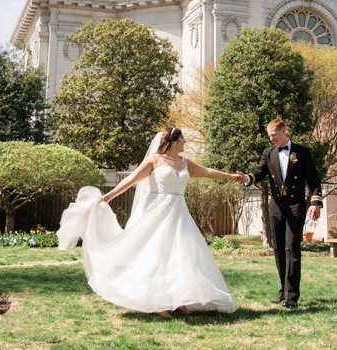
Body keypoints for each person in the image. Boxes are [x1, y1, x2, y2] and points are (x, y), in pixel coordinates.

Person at [57, 127, 246, 316]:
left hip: (179, 213)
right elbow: (132, 179)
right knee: (156, 253)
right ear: (173, 141)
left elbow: (207, 171)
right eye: (182, 138)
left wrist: (231, 177)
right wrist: (110, 195)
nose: (185, 141)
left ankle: (177, 298)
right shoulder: (154, 160)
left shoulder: (185, 162)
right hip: (156, 211)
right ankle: (157, 302)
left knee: (181, 254)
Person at [241, 117, 322, 309]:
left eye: (274, 135)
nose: (271, 139)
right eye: (269, 136)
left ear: (284, 131)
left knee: (291, 247)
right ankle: (283, 291)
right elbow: (259, 172)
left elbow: (313, 179)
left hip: (295, 206)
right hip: (276, 206)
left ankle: (292, 296)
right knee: (278, 248)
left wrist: (315, 202)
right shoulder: (268, 153)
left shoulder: (302, 152)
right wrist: (247, 178)